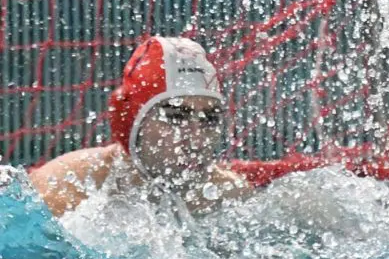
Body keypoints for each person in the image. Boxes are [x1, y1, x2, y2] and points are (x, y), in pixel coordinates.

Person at [28, 36, 252, 219]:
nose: (197, 138)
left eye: (209, 119)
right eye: (176, 117)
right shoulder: (67, 187)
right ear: (131, 122)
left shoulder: (231, 195)